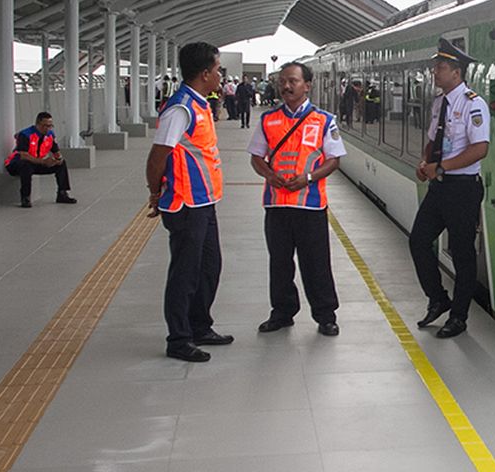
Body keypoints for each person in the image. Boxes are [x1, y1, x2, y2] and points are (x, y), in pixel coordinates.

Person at [145, 41, 233, 363]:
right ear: (205, 73)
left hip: (204, 201)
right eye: (218, 69)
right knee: (185, 272)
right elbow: (157, 157)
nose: (221, 75)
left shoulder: (200, 104)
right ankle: (178, 339)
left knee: (210, 266)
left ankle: (200, 325)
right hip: (184, 205)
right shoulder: (180, 108)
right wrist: (155, 193)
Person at [249, 62, 345, 337]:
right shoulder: (268, 119)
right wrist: (269, 174)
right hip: (276, 203)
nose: (286, 87)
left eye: (292, 81)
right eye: (283, 82)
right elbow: (256, 157)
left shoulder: (324, 120)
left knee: (316, 262)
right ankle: (282, 312)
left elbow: (334, 159)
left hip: (310, 203)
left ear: (308, 85)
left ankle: (325, 315)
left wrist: (309, 178)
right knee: (279, 262)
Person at [409, 38, 490, 338]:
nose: (434, 72)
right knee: (418, 241)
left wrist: (441, 167)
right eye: (434, 67)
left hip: (462, 189)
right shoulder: (438, 103)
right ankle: (438, 299)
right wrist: (424, 162)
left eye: (440, 67)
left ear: (456, 73)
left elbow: (480, 148)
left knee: (462, 253)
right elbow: (433, 140)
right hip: (440, 187)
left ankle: (459, 317)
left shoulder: (473, 103)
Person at [4, 112, 77, 208]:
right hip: (17, 164)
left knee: (61, 164)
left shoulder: (50, 135)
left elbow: (56, 151)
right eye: (45, 126)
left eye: (50, 126)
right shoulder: (25, 135)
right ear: (37, 124)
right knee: (26, 166)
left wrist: (58, 159)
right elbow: (23, 155)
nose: (47, 128)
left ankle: (62, 194)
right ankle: (25, 197)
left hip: (37, 163)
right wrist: (43, 161)